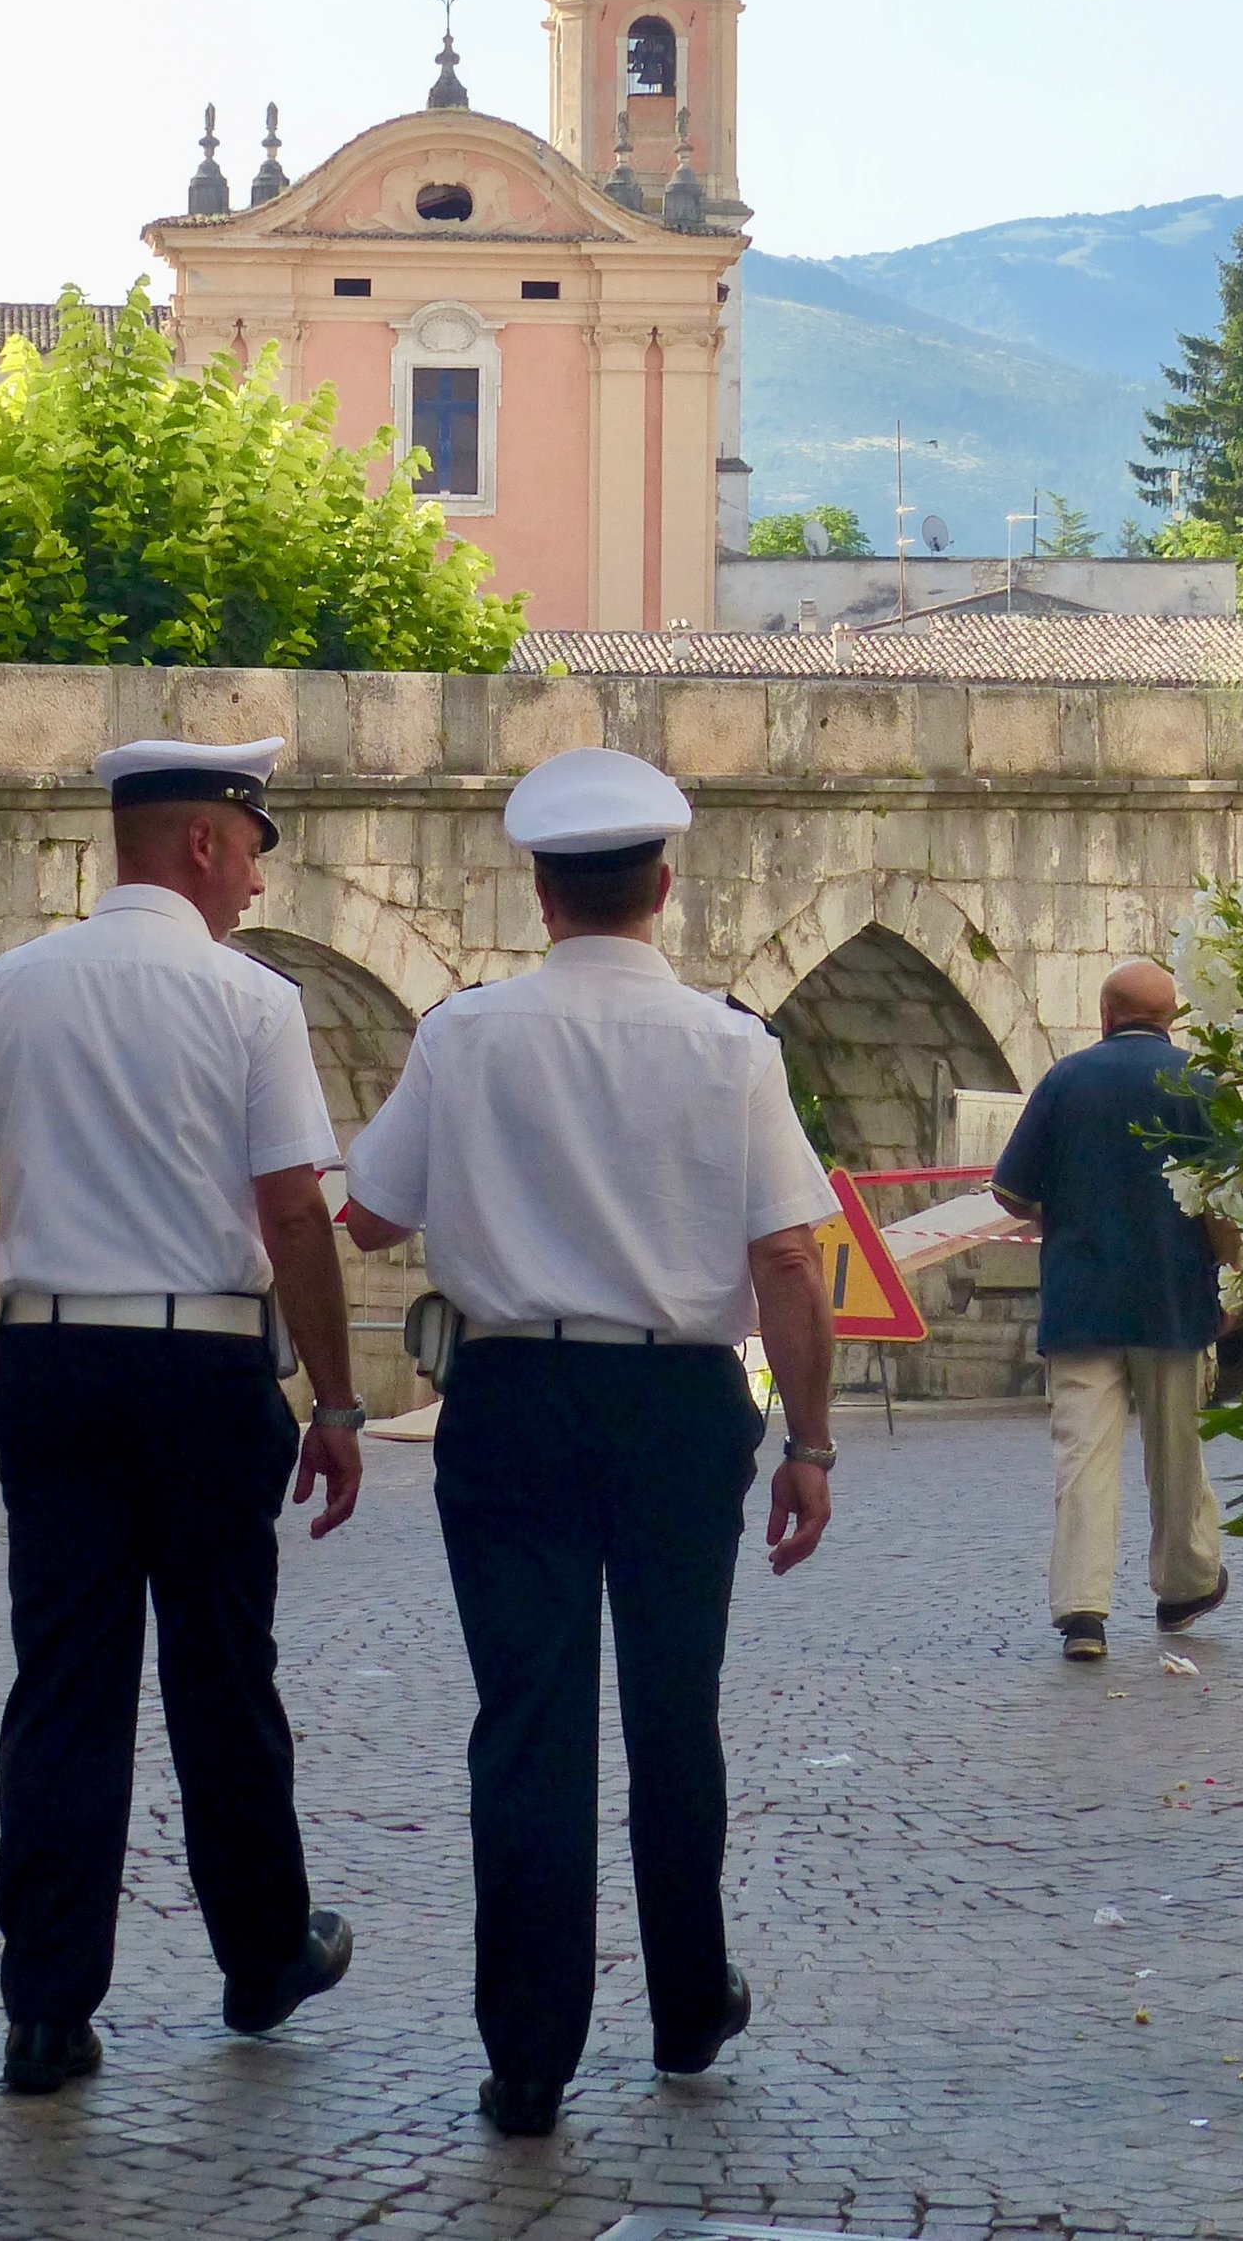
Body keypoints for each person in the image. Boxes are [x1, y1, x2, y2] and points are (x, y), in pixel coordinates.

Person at [341, 745, 841, 2136]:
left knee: (527, 1726)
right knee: (676, 1715)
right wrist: (810, 1440)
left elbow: (370, 1217)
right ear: (663, 888)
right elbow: (792, 1259)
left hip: (509, 1401)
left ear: (541, 891)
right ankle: (689, 2004)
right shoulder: (733, 1044)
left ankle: (526, 2054)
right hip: (678, 1403)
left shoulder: (465, 1033)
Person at [0, 735, 367, 2096]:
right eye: (250, 856)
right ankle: (263, 1950)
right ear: (208, 845)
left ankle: (47, 2007)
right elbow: (292, 1210)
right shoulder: (250, 1002)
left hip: (51, 1361)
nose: (251, 888)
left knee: (64, 1683)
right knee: (222, 1672)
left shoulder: (7, 989)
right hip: (206, 1369)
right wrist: (336, 1396)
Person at [991, 955, 1233, 1664]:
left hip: (1082, 1297)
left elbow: (1010, 1188)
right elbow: (1226, 1202)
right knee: (1176, 1450)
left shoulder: (1066, 1080)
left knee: (1083, 1454)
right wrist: (1231, 1285)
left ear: (1104, 1014)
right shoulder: (1200, 1084)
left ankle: (1083, 1613)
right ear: (1171, 1018)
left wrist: (1059, 1215)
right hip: (1173, 1293)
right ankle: (1185, 1584)